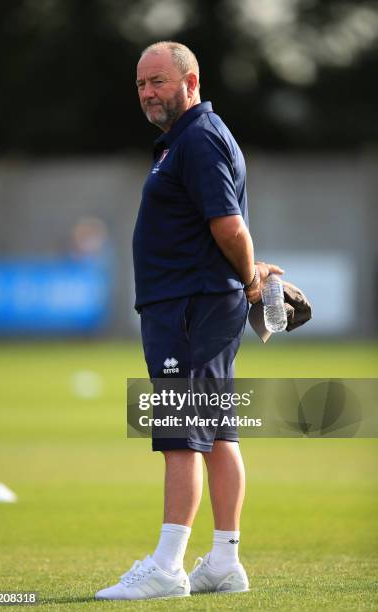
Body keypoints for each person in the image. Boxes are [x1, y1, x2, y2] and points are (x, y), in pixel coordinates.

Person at [95, 41, 283, 601]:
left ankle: (168, 566)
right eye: (141, 85)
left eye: (157, 81)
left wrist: (249, 277)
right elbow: (222, 229)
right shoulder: (186, 140)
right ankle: (224, 561)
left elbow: (229, 227)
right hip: (194, 303)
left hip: (190, 306)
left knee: (182, 437)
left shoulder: (198, 139)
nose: (148, 93)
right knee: (219, 434)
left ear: (190, 81)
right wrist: (246, 274)